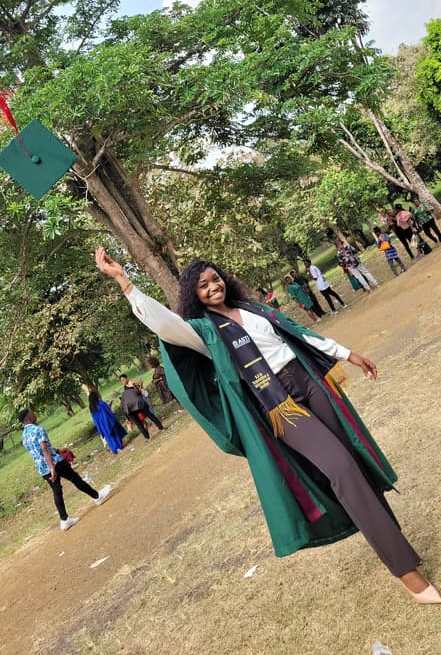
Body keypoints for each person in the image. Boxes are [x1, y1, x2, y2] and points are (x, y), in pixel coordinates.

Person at [95, 247, 441, 604]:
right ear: (193, 295)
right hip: (278, 405)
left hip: (309, 382)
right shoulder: (204, 332)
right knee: (340, 468)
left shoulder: (253, 308)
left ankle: (392, 538)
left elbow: (298, 333)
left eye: (215, 279)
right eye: (203, 285)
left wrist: (347, 354)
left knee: (354, 461)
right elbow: (166, 324)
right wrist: (125, 282)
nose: (213, 287)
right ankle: (405, 572)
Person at [19, 408, 111, 530]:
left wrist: (58, 450)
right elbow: (44, 449)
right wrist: (52, 467)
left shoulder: (24, 436)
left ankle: (64, 520)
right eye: (32, 413)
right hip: (55, 464)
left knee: (57, 492)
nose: (35, 414)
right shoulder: (38, 429)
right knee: (75, 479)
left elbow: (41, 450)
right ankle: (97, 497)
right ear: (29, 417)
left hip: (42, 468)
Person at [119, 374, 166, 441]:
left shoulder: (131, 382)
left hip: (138, 403)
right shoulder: (125, 387)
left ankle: (161, 428)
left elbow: (140, 382)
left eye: (123, 379)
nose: (123, 381)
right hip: (131, 407)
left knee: (150, 415)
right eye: (121, 380)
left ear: (126, 378)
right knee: (139, 423)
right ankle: (146, 437)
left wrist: (140, 388)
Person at [88, 389, 126, 454]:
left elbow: (95, 420)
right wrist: (113, 418)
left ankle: (115, 449)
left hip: (102, 425)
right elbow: (108, 411)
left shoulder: (92, 409)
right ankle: (119, 446)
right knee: (114, 434)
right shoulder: (101, 403)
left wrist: (100, 429)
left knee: (109, 437)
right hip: (108, 421)